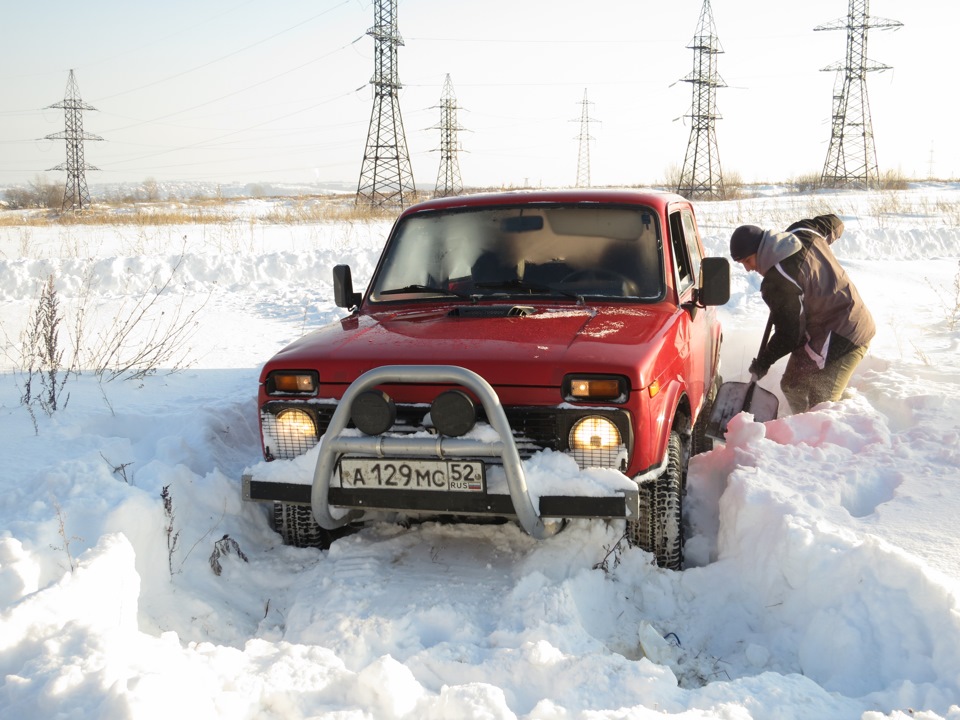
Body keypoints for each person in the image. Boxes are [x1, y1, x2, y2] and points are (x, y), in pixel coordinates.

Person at [729, 214, 875, 414]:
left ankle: (840, 423)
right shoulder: (802, 231)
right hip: (822, 330)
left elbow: (789, 335)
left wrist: (764, 362)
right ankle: (798, 425)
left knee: (822, 406)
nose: (748, 269)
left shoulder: (777, 282)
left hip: (846, 334)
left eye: (748, 260)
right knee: (791, 385)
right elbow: (835, 222)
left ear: (761, 250)